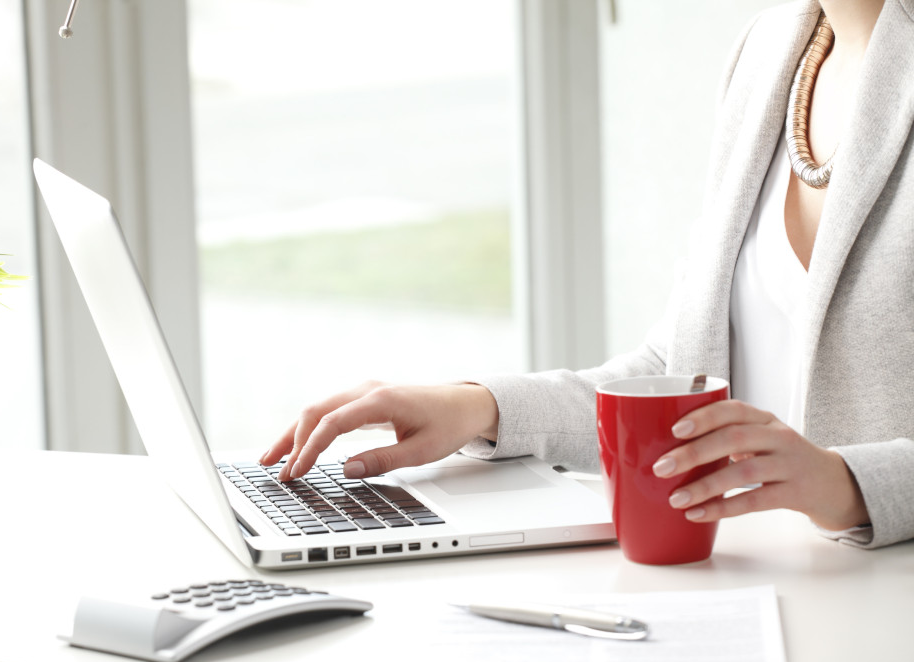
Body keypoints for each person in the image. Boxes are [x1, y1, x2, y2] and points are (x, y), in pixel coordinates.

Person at [259, 0, 914, 550]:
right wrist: (479, 407)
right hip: (737, 588)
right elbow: (678, 371)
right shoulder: (770, 51)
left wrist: (844, 483)